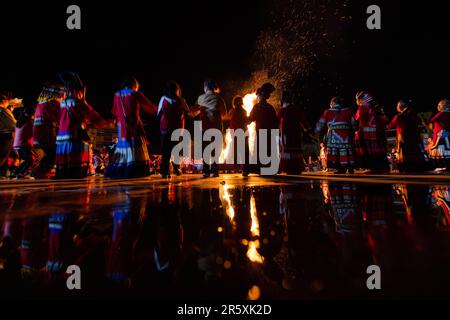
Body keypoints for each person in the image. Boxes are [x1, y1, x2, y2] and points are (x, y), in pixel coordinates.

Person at [55, 72, 108, 179]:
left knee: (64, 162)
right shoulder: (78, 102)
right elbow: (94, 117)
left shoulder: (61, 103)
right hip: (74, 136)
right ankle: (75, 175)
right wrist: (105, 123)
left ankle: (63, 174)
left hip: (61, 137)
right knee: (75, 165)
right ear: (77, 91)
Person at [105, 76, 157, 179]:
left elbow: (114, 111)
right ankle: (134, 171)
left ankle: (120, 171)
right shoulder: (135, 93)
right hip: (133, 125)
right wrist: (159, 109)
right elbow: (149, 106)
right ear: (135, 85)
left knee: (123, 146)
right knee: (135, 148)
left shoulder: (117, 94)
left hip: (122, 127)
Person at [315, 96, 357, 174]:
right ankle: (349, 167)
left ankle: (340, 169)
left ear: (332, 103)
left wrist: (316, 132)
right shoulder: (348, 111)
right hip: (346, 136)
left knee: (337, 151)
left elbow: (319, 125)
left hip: (334, 136)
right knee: (346, 151)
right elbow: (354, 124)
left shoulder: (328, 111)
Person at [387, 99, 430, 173]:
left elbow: (390, 126)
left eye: (397, 105)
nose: (396, 106)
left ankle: (406, 167)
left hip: (403, 137)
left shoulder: (399, 116)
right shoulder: (413, 115)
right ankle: (419, 167)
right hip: (414, 136)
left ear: (400, 107)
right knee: (415, 151)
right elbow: (421, 122)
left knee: (405, 151)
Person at [158, 81, 190, 178]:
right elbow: (188, 111)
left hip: (165, 128)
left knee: (165, 150)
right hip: (177, 129)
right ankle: (176, 169)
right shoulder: (181, 100)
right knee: (176, 150)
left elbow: (158, 113)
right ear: (177, 90)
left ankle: (165, 171)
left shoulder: (163, 99)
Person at [32, 83, 64, 179]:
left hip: (39, 133)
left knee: (48, 153)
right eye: (62, 94)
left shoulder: (40, 104)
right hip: (48, 133)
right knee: (52, 153)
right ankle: (41, 174)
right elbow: (61, 117)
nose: (63, 97)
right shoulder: (53, 103)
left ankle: (39, 173)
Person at [196, 80, 227, 177]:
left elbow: (194, 111)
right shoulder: (219, 98)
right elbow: (224, 113)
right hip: (216, 127)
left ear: (205, 87)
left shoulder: (201, 98)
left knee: (205, 149)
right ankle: (214, 171)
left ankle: (205, 171)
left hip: (205, 128)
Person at [354, 91, 389, 173]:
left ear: (361, 99)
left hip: (367, 134)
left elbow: (359, 120)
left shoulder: (362, 108)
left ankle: (372, 168)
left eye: (358, 100)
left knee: (369, 150)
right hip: (379, 132)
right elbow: (385, 119)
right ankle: (384, 168)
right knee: (379, 150)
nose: (357, 102)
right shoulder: (377, 107)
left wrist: (358, 132)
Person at [248, 82, 279, 175]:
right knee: (268, 150)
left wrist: (242, 120)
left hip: (261, 132)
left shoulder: (257, 107)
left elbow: (250, 119)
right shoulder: (270, 108)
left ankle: (259, 169)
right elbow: (275, 122)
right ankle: (268, 168)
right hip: (269, 134)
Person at [278, 91, 311, 174]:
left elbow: (275, 121)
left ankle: (288, 168)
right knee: (295, 150)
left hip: (286, 134)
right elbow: (304, 121)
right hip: (296, 134)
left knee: (287, 151)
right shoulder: (296, 110)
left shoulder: (282, 110)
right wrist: (308, 129)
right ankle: (296, 168)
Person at [226, 96, 250, 176]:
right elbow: (246, 121)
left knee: (237, 151)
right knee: (245, 151)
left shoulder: (232, 111)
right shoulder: (244, 111)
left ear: (234, 103)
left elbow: (227, 119)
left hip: (236, 134)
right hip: (244, 133)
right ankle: (245, 169)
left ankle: (237, 168)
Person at [0, 92, 21, 179]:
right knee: (3, 155)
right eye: (7, 101)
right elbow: (13, 124)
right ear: (3, 101)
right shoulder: (3, 110)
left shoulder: (3, 110)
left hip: (3, 134)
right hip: (6, 135)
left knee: (4, 155)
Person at [12, 104, 36, 179]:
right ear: (33, 114)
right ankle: (21, 174)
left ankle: (16, 172)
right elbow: (34, 133)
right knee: (32, 160)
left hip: (16, 145)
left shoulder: (20, 121)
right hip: (24, 145)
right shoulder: (30, 122)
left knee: (28, 159)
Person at [426, 99, 450, 171]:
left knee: (441, 152)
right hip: (448, 135)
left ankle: (444, 166)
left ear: (442, 106)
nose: (437, 107)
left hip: (440, 136)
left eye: (439, 105)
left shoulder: (440, 114)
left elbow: (430, 120)